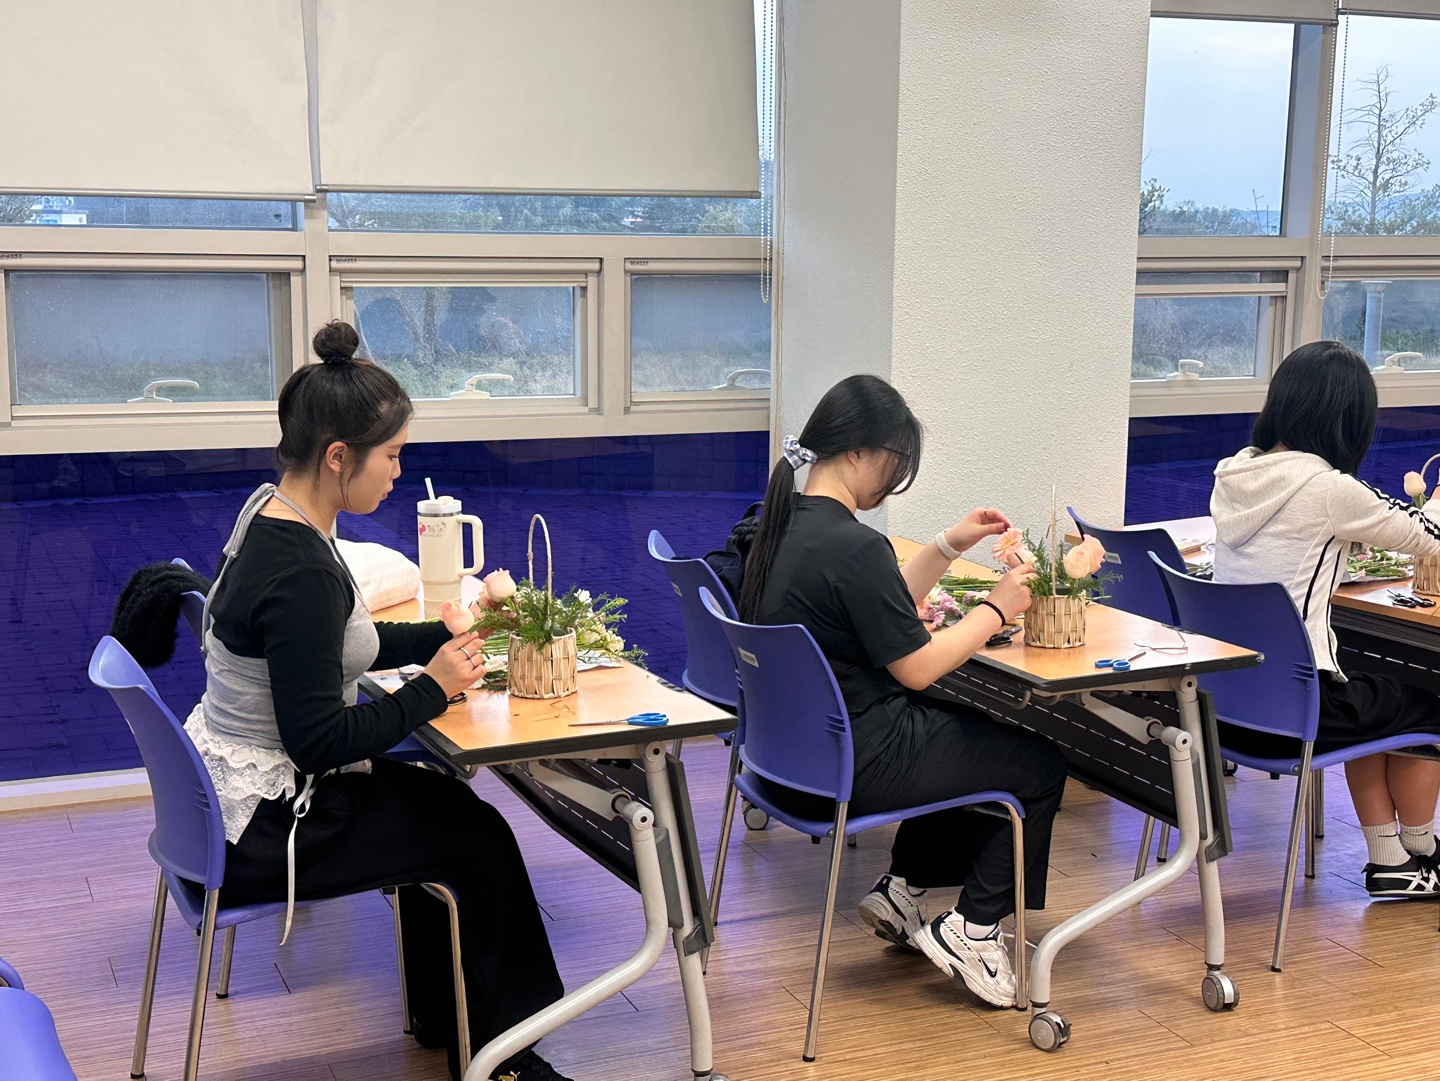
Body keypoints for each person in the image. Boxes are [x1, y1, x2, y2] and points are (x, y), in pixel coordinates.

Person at [116, 322, 571, 1081]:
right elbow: (320, 741)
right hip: (268, 830)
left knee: (444, 808)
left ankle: (450, 1023)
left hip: (226, 806)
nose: (398, 471)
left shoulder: (272, 515)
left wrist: (450, 631)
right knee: (476, 834)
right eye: (390, 454)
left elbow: (339, 645)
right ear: (337, 457)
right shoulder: (302, 571)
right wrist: (434, 688)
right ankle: (506, 1060)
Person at [738, 374, 1068, 1008]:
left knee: (962, 731)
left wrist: (947, 544)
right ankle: (974, 930)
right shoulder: (854, 545)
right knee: (1037, 764)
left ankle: (903, 890)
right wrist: (997, 608)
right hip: (858, 762)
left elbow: (877, 606)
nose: (893, 481)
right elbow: (916, 668)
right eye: (895, 463)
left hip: (786, 763)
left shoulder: (780, 527)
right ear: (860, 451)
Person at [1211, 340, 1440, 898]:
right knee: (1427, 702)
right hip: (1296, 713)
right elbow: (1429, 538)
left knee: (1376, 693)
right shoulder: (1329, 487)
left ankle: (1393, 858)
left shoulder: (1235, 471)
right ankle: (1422, 850)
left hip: (1228, 706)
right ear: (1348, 419)